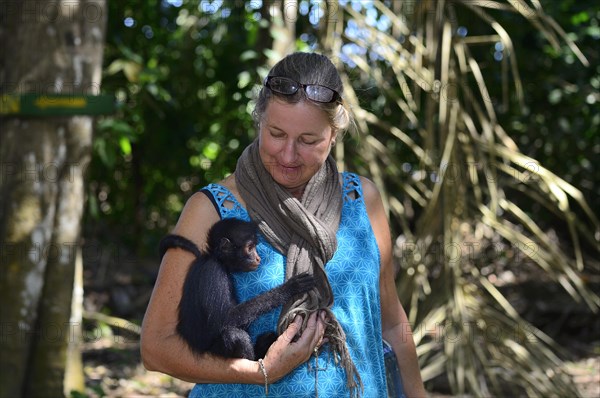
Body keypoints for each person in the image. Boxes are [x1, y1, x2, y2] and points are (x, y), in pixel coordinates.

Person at [140, 52, 426, 398]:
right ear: (259, 120)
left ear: (334, 135)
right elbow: (156, 346)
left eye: (308, 141)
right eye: (276, 134)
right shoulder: (211, 210)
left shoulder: (363, 200)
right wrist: (260, 371)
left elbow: (391, 322)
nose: (289, 156)